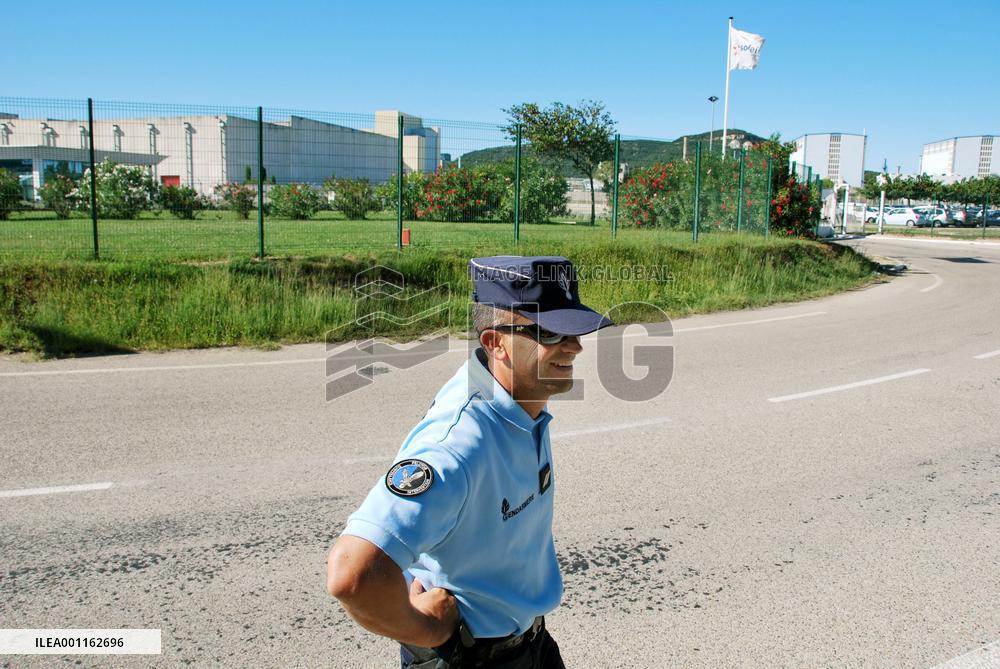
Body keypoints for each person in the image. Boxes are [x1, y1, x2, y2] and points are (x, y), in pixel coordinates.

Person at [326, 255, 613, 668]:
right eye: (551, 332)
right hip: (473, 657)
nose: (575, 346)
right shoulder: (457, 445)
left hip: (531, 642)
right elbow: (351, 573)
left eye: (574, 330)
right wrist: (425, 629)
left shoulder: (520, 399)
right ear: (496, 343)